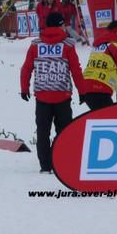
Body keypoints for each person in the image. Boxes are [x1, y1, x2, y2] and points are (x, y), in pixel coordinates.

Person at [20, 12, 85, 173]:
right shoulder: (68, 44)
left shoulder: (35, 44)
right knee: (64, 131)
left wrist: (24, 88)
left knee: (43, 132)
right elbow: (76, 70)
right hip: (62, 95)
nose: (65, 27)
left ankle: (45, 165)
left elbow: (26, 68)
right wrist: (82, 91)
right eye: (63, 24)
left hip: (42, 96)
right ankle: (61, 161)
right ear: (59, 25)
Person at [83, 20, 117, 110]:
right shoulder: (116, 46)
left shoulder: (98, 45)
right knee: (110, 120)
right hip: (101, 90)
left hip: (86, 87)